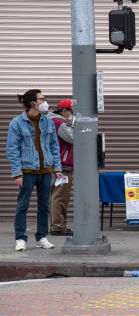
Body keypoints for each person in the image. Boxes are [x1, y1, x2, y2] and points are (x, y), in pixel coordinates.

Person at [6, 89, 61, 251]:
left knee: (44, 205)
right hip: (27, 171)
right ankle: (20, 238)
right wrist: (16, 172)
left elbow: (54, 147)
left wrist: (57, 168)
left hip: (45, 170)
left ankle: (42, 237)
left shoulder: (48, 122)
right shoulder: (17, 123)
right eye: (42, 99)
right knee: (22, 205)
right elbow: (12, 149)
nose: (45, 102)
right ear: (33, 102)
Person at [47, 99, 75, 236]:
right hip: (62, 167)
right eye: (72, 112)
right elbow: (73, 138)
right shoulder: (60, 123)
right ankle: (58, 227)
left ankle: (57, 225)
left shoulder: (50, 121)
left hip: (55, 165)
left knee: (54, 196)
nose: (72, 115)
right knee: (60, 197)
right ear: (64, 110)